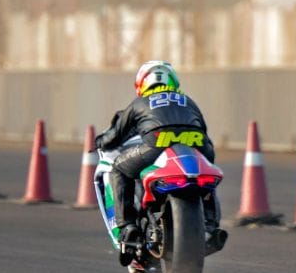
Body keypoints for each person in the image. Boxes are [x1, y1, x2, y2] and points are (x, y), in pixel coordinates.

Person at [94, 60, 227, 259]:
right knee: (203, 177)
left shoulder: (140, 102)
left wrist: (99, 142)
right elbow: (203, 129)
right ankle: (210, 224)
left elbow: (115, 136)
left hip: (156, 144)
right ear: (173, 81)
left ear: (142, 84)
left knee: (118, 169)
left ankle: (127, 226)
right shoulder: (188, 100)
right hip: (198, 144)